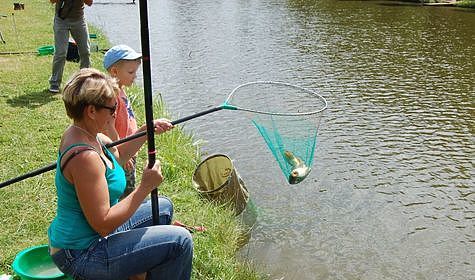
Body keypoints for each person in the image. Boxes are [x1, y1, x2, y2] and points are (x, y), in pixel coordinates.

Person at [48, 68, 193, 280]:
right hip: (81, 253)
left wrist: (146, 130)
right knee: (180, 241)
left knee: (163, 206)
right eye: (112, 107)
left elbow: (119, 156)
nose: (116, 112)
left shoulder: (87, 134)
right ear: (91, 111)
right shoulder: (84, 158)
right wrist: (145, 187)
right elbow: (103, 224)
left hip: (92, 237)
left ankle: (142, 270)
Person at [103, 44, 141, 198]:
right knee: (126, 189)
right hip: (122, 152)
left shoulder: (121, 89)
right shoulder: (112, 97)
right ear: (114, 72)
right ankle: (126, 217)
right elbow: (109, 127)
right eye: (131, 72)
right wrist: (119, 154)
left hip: (129, 149)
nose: (135, 76)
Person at [48, 0, 93, 93]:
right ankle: (55, 83)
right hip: (61, 20)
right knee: (61, 53)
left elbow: (89, 3)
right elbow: (52, 1)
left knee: (85, 51)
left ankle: (84, 81)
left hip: (79, 20)